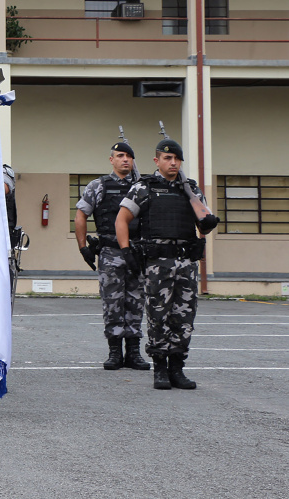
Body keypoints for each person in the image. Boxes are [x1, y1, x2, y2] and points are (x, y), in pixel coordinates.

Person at [116, 138, 218, 390]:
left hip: (186, 262)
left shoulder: (191, 189)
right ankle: (160, 368)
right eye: (167, 158)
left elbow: (202, 223)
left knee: (184, 316)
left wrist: (207, 225)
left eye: (177, 159)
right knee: (158, 315)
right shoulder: (144, 188)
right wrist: (126, 251)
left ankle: (177, 368)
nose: (173, 163)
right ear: (157, 160)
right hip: (157, 263)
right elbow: (121, 219)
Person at [75, 142, 149, 371]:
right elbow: (81, 215)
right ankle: (115, 351)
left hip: (137, 251)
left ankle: (134, 352)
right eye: (120, 155)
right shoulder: (98, 186)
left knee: (136, 302)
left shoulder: (143, 186)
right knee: (112, 302)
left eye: (129, 156)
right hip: (110, 252)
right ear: (111, 160)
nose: (125, 159)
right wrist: (83, 248)